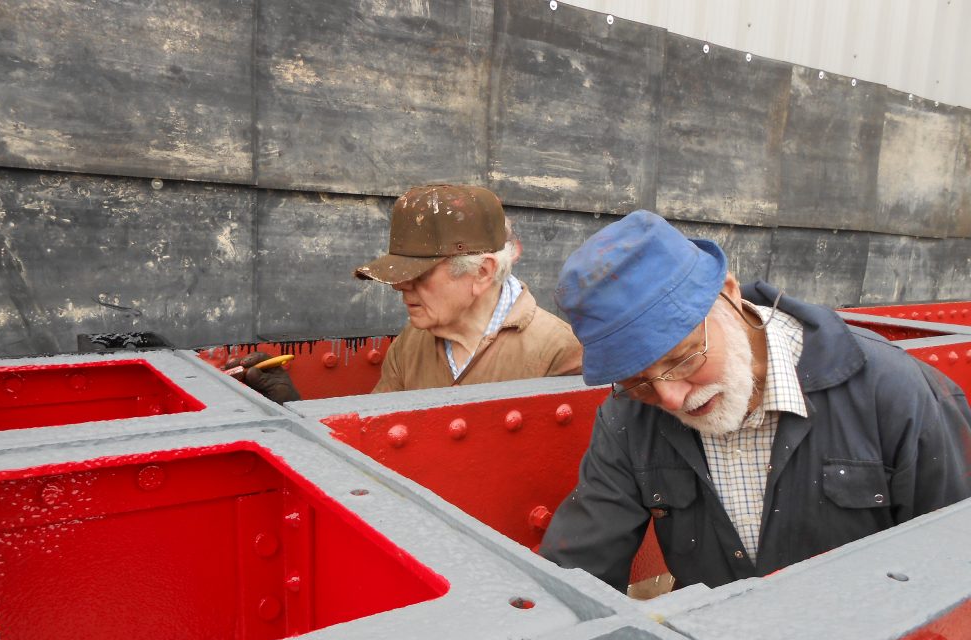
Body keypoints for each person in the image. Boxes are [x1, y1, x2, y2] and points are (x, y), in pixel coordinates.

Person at [539, 210, 971, 593]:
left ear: (728, 293)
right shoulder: (627, 416)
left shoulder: (897, 393)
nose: (670, 397)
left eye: (684, 358)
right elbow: (578, 568)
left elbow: (954, 571)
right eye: (637, 381)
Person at [353, 183, 582, 392]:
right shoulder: (410, 343)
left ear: (482, 272)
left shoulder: (560, 351)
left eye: (419, 273)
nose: (399, 285)